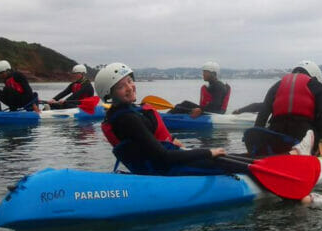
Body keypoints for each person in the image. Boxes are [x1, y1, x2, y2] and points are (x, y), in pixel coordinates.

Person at [96, 62, 229, 175]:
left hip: (159, 164)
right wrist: (208, 152)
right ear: (109, 94)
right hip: (166, 169)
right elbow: (164, 156)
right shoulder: (127, 119)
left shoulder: (122, 113)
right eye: (121, 86)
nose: (130, 88)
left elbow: (150, 142)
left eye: (130, 81)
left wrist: (171, 140)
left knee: (227, 157)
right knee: (227, 159)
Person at [254, 60, 322, 162]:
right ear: (315, 75)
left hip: (276, 136)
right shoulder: (318, 87)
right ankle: (303, 150)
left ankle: (270, 154)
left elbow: (262, 116)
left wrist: (257, 142)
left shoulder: (276, 85)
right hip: (302, 135)